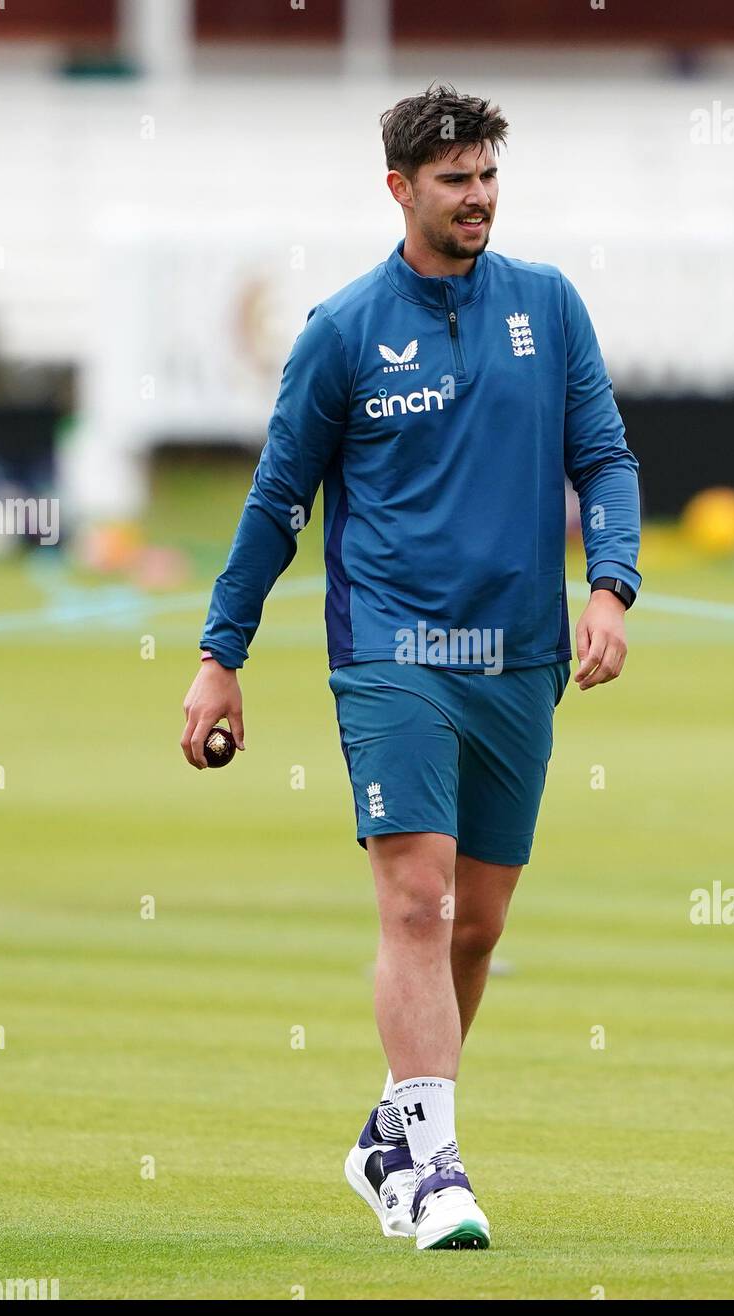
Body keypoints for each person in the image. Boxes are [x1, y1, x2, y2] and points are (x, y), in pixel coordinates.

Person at [181, 82, 642, 1251]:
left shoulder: (550, 305)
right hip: (394, 655)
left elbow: (606, 457)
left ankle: (391, 1133)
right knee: (418, 897)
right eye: (455, 180)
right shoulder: (341, 331)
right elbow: (276, 503)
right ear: (400, 188)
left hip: (519, 657)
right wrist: (218, 656)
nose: (478, 197)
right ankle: (436, 1171)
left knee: (477, 925)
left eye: (489, 176)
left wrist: (611, 583)